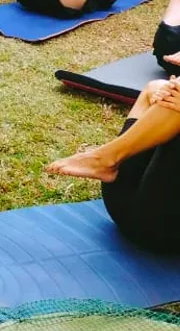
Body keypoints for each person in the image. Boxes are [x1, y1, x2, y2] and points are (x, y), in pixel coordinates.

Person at [46, 75, 180, 254]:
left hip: (166, 231)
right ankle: (107, 160)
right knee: (155, 87)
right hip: (123, 200)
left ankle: (104, 159)